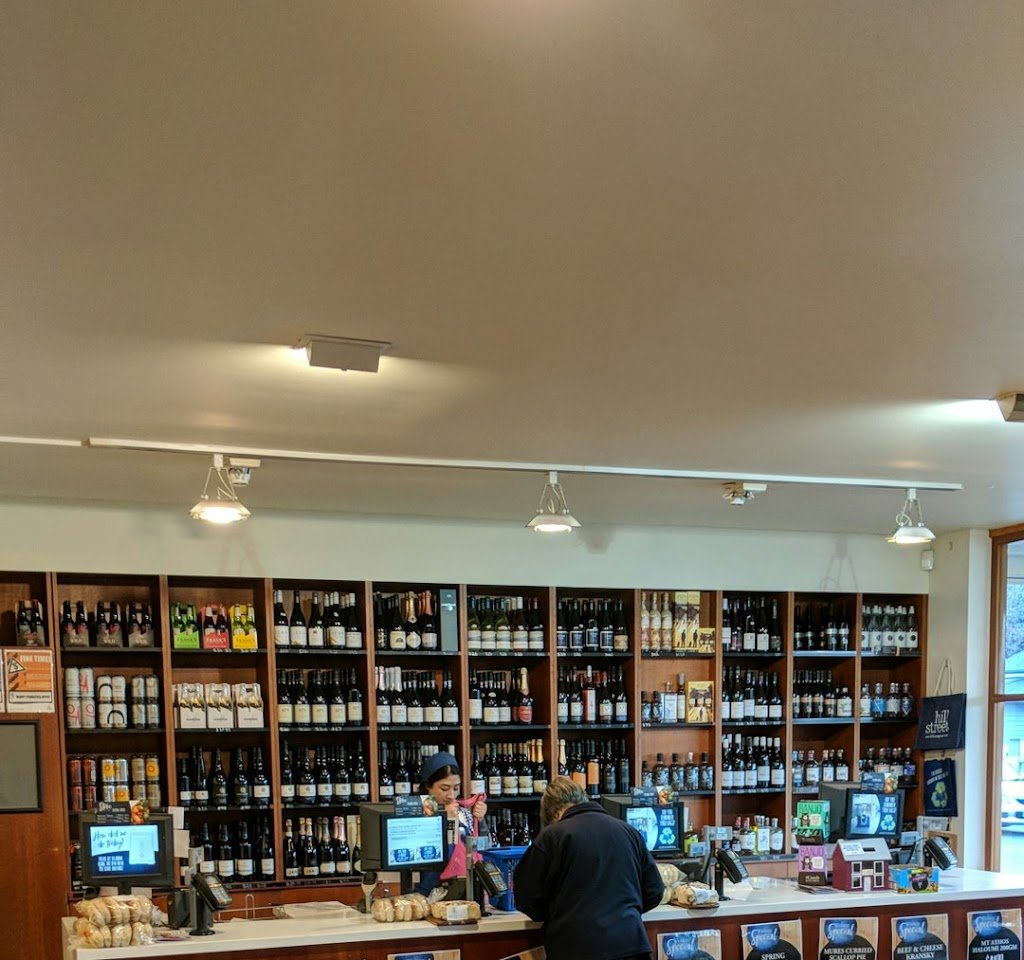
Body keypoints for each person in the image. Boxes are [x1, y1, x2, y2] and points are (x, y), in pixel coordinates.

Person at [513, 776, 664, 960]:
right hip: (631, 946)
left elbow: (526, 898)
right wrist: (624, 913)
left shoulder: (552, 836)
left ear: (551, 814)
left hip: (575, 948)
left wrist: (555, 912)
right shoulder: (628, 831)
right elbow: (655, 891)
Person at [413, 751, 487, 900]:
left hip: (465, 889)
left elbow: (482, 848)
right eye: (444, 789)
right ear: (428, 786)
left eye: (456, 788)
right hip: (430, 892)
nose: (451, 795)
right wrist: (449, 822)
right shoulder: (418, 811)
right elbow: (442, 855)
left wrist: (481, 821)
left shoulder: (463, 811)